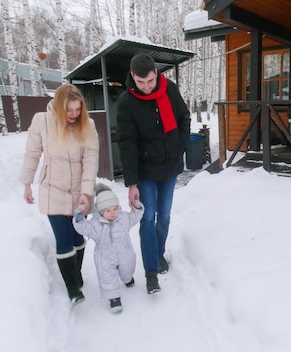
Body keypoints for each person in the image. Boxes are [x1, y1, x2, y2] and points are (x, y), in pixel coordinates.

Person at [116, 53, 190, 294]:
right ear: (132, 76)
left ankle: (158, 253)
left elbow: (183, 118)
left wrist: (179, 148)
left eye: (149, 81)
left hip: (169, 168)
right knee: (147, 219)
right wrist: (132, 183)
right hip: (146, 171)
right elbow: (126, 143)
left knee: (165, 216)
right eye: (140, 82)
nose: (146, 87)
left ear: (156, 74)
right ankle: (150, 271)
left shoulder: (170, 90)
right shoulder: (126, 102)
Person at [19, 83, 99, 306]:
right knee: (63, 239)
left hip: (78, 193)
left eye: (77, 110)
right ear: (58, 106)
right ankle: (73, 289)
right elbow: (32, 153)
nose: (74, 115)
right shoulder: (41, 121)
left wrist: (86, 192)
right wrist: (27, 183)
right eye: (69, 110)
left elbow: (90, 161)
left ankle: (76, 273)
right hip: (51, 189)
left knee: (76, 237)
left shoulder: (88, 125)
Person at [72, 183, 144, 313]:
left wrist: (137, 207)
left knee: (127, 269)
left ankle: (127, 279)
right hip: (105, 257)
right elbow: (83, 228)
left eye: (115, 209)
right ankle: (114, 298)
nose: (112, 213)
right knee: (107, 276)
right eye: (108, 211)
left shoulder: (123, 219)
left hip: (125, 253)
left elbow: (134, 217)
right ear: (100, 211)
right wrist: (79, 218)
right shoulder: (95, 225)